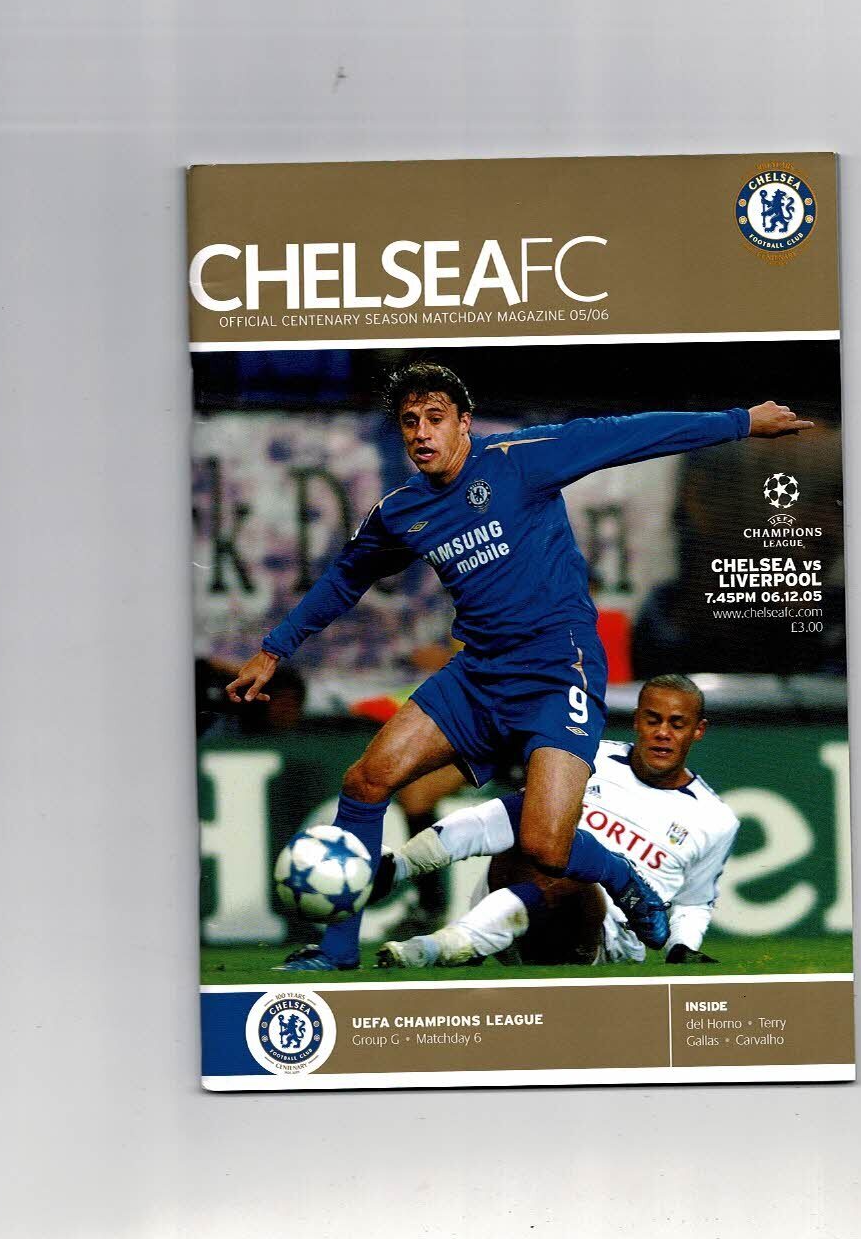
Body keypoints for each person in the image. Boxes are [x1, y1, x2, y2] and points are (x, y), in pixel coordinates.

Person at [229, 360, 808, 970]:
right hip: (478, 675)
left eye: (434, 418)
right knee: (365, 782)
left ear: (464, 422)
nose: (421, 433)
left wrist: (740, 421)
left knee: (545, 848)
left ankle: (621, 877)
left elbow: (628, 435)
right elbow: (346, 578)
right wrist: (274, 649)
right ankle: (337, 951)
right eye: (409, 422)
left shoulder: (520, 460)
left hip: (558, 672)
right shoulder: (401, 512)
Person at [375, 674, 739, 968]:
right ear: (636, 720)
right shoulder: (587, 756)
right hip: (512, 896)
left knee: (566, 865)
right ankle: (402, 870)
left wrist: (683, 947)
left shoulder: (715, 818)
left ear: (698, 730)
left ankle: (443, 946)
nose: (663, 733)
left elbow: (695, 901)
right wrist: (405, 863)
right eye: (653, 720)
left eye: (677, 724)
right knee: (533, 820)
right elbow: (502, 819)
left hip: (601, 938)